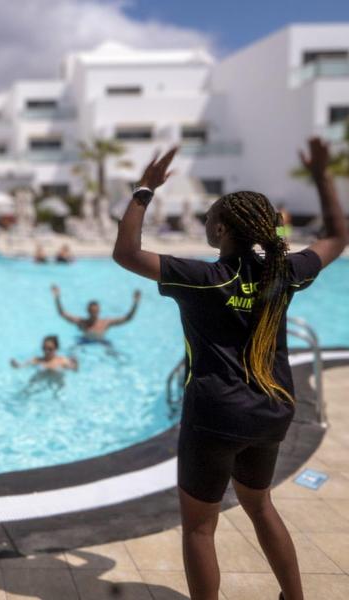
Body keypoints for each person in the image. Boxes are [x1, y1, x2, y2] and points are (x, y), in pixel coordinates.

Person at [112, 138, 347, 600]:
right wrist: (322, 176)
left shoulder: (202, 278)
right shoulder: (286, 272)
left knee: (200, 529)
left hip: (216, 416)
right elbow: (339, 237)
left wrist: (144, 190)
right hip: (272, 411)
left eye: (207, 220)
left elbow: (126, 253)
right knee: (260, 506)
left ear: (221, 229)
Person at [51, 285, 141, 352]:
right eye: (91, 311)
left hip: (101, 341)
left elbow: (128, 318)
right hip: (84, 341)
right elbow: (62, 313)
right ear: (87, 311)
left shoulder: (105, 323)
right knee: (71, 351)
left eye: (95, 311)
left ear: (99, 311)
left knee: (115, 353)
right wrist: (57, 298)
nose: (93, 313)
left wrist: (135, 303)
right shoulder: (81, 322)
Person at [10, 335, 78, 371]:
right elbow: (21, 366)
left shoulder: (62, 360)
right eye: (44, 348)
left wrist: (75, 363)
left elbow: (74, 369)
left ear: (56, 348)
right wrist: (15, 365)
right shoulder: (37, 360)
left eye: (50, 349)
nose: (46, 351)